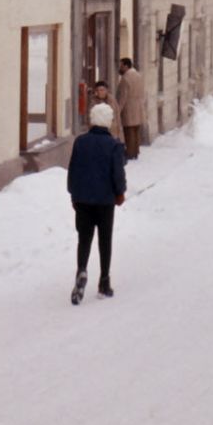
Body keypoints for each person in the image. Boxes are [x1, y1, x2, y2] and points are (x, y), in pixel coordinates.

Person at [67, 101, 126, 303]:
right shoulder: (114, 145)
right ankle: (104, 281)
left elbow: (73, 170)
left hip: (82, 199)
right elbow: (117, 174)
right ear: (108, 122)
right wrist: (120, 193)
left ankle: (81, 270)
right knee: (104, 239)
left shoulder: (80, 142)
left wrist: (73, 194)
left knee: (84, 238)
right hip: (104, 200)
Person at [117, 56, 145, 160]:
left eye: (121, 65)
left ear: (126, 66)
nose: (119, 68)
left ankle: (130, 152)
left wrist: (118, 110)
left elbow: (122, 96)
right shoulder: (138, 75)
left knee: (129, 131)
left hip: (129, 108)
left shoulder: (125, 78)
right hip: (138, 106)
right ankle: (136, 150)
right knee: (136, 130)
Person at [90, 78, 124, 143]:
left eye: (102, 90)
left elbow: (117, 117)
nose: (100, 92)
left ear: (106, 90)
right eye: (98, 90)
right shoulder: (93, 101)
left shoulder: (112, 101)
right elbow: (90, 117)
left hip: (112, 132)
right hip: (98, 133)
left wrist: (119, 134)